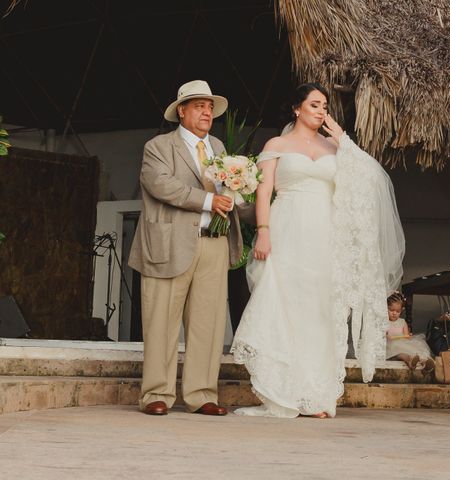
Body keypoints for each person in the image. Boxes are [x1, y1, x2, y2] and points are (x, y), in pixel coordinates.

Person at [231, 83, 405, 418]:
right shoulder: (277, 144)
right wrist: (263, 232)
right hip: (287, 229)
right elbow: (264, 192)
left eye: (325, 105)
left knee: (321, 312)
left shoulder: (336, 148)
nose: (321, 110)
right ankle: (285, 391)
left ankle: (315, 396)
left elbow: (373, 180)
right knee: (286, 306)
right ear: (297, 108)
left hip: (326, 237)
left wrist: (344, 142)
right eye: (314, 104)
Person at [128, 80, 252, 416]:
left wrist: (251, 193)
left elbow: (233, 194)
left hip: (214, 244)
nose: (207, 112)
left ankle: (201, 394)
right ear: (181, 111)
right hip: (168, 245)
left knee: (208, 325)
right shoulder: (158, 147)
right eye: (199, 106)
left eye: (210, 107)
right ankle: (156, 393)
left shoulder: (219, 147)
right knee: (161, 322)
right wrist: (210, 200)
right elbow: (160, 185)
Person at [385, 291, 434, 373]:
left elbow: (406, 336)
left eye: (398, 311)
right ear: (386, 308)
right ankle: (410, 360)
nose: (394, 313)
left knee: (418, 347)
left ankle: (425, 361)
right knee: (401, 353)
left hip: (402, 343)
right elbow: (384, 335)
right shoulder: (385, 322)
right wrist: (387, 336)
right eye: (391, 310)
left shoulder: (402, 322)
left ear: (401, 310)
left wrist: (408, 336)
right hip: (391, 345)